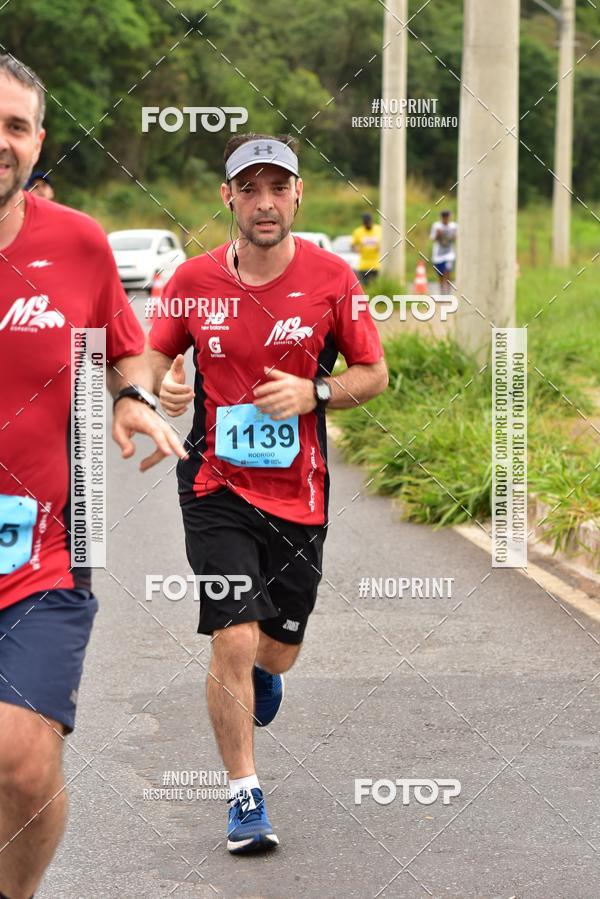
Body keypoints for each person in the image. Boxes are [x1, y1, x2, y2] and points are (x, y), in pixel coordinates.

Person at [149, 132, 388, 854]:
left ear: (297, 195)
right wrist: (164, 382)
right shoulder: (191, 280)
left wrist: (314, 389)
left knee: (275, 651)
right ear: (227, 198)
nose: (263, 202)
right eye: (248, 189)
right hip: (215, 484)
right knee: (232, 630)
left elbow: (372, 374)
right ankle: (244, 794)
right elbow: (154, 358)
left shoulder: (332, 278)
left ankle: (263, 669)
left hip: (299, 495)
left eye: (276, 188)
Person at [0, 55, 187, 899]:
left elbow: (124, 347)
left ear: (39, 142)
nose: (2, 140)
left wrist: (136, 396)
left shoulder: (77, 243)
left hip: (40, 552)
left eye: (16, 125)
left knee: (25, 761)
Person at [429, 209, 457, 294]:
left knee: (447, 272)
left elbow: (457, 237)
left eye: (447, 218)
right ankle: (442, 292)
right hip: (438, 255)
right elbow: (432, 238)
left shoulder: (454, 226)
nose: (446, 219)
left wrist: (452, 236)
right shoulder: (436, 226)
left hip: (449, 254)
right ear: (441, 218)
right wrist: (438, 235)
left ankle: (448, 292)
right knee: (440, 274)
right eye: (444, 218)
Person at [351, 212, 382, 286]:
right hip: (363, 265)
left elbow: (385, 241)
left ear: (371, 221)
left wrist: (381, 247)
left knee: (375, 286)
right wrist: (356, 249)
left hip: (376, 264)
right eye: (365, 223)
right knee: (364, 286)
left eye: (368, 222)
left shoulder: (378, 230)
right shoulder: (358, 231)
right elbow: (353, 245)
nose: (367, 225)